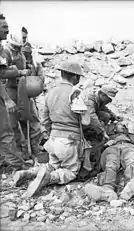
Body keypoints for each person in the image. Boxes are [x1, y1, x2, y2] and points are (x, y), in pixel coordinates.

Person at [14, 61, 88, 198]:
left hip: (53, 140)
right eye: (78, 77)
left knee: (52, 164)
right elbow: (86, 121)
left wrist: (51, 132)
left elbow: (45, 120)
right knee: (71, 171)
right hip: (69, 140)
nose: (79, 79)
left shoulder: (50, 92)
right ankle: (49, 178)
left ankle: (29, 173)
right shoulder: (75, 93)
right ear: (74, 77)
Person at [84, 122, 134, 202]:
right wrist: (105, 145)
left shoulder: (133, 136)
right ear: (114, 128)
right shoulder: (107, 137)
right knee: (111, 163)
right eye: (120, 124)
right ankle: (107, 190)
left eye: (124, 125)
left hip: (130, 146)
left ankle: (130, 186)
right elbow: (95, 150)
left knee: (131, 160)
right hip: (112, 147)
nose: (123, 126)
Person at [4, 34, 42, 160]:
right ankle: (19, 154)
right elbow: (2, 73)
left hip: (23, 89)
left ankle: (34, 149)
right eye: (16, 47)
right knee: (13, 124)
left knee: (30, 118)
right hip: (10, 90)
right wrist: (19, 72)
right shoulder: (5, 53)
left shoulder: (22, 55)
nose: (18, 49)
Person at [0, 14, 29, 170]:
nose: (7, 29)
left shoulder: (8, 51)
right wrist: (17, 72)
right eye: (4, 27)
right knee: (7, 131)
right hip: (7, 92)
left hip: (15, 91)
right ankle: (17, 165)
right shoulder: (4, 52)